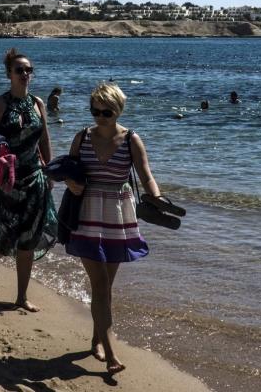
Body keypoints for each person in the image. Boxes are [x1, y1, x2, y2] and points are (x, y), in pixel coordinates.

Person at [63, 82, 159, 375]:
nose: (99, 117)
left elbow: (146, 176)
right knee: (100, 285)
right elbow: (68, 170)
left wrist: (158, 201)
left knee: (107, 287)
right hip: (88, 212)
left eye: (106, 111)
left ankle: (95, 338)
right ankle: (110, 350)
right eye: (95, 111)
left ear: (118, 110)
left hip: (119, 214)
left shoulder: (131, 139)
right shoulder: (82, 137)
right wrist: (70, 182)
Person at [0, 48, 57, 312]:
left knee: (29, 238)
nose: (25, 74)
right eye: (19, 70)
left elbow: (44, 139)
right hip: (4, 181)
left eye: (28, 70)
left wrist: (51, 170)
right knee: (7, 233)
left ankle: (21, 296)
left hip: (34, 178)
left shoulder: (38, 103)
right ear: (9, 73)